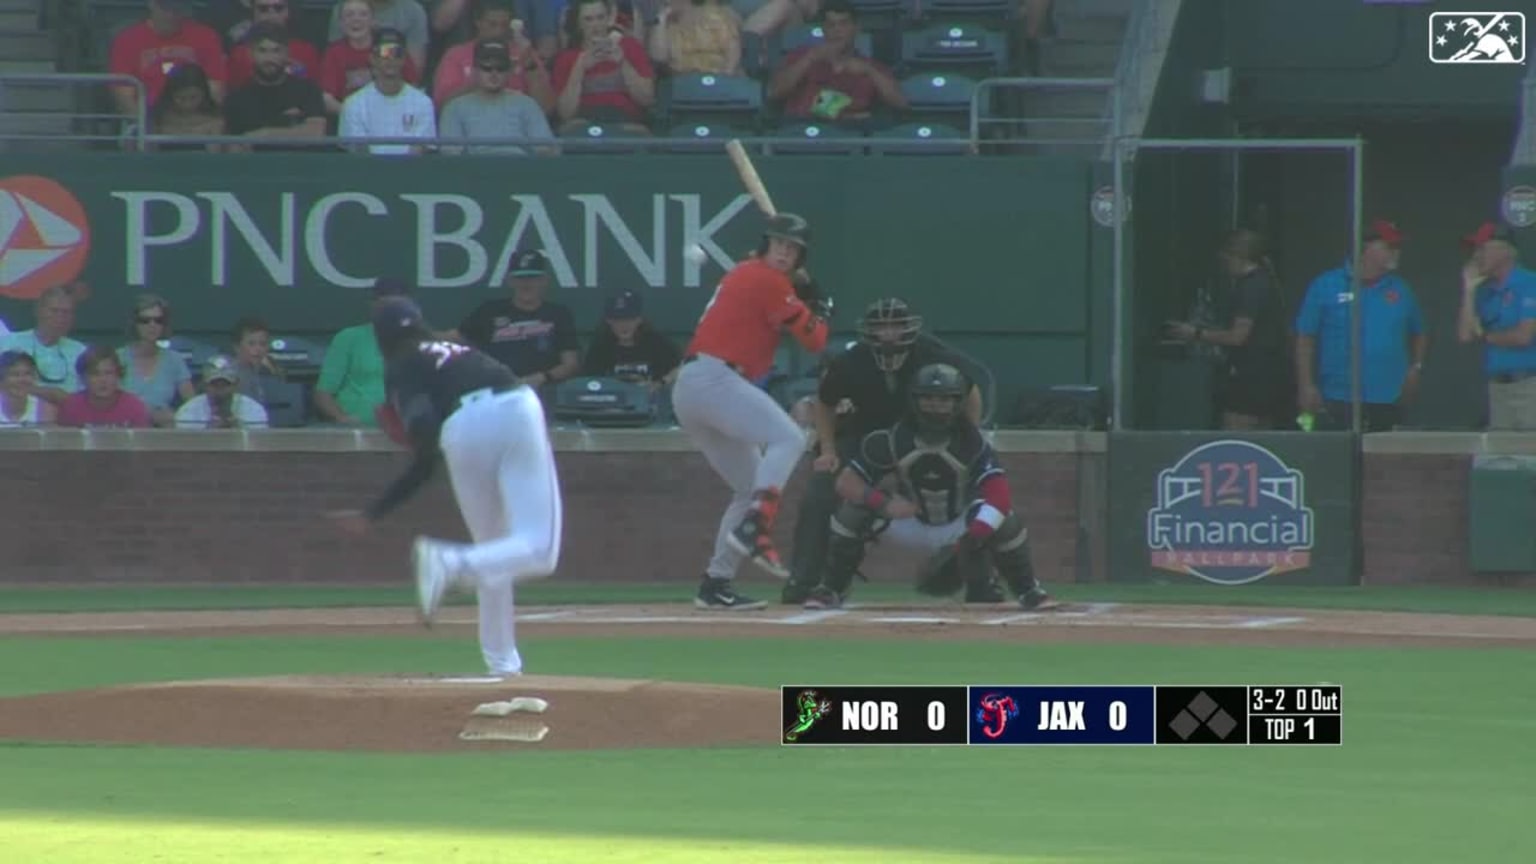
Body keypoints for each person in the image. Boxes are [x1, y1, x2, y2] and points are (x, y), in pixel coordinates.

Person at [327, 297, 562, 679]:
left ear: (381, 337)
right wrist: (375, 511)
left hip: (462, 428)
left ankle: (502, 662)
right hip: (513, 406)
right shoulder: (455, 351)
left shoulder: (402, 366)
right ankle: (454, 570)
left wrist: (375, 511)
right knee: (531, 549)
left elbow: (425, 454)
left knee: (497, 548)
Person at [672, 212, 831, 610]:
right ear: (766, 245)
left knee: (749, 487)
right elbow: (815, 341)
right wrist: (818, 307)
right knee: (790, 438)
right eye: (778, 244)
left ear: (799, 257)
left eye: (792, 249)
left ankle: (715, 583)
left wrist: (802, 299)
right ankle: (757, 526)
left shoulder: (752, 274)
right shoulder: (766, 279)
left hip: (698, 386)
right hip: (714, 379)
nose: (784, 252)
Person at [781, 297, 981, 605]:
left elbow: (970, 390)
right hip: (865, 438)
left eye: (895, 326)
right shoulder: (851, 361)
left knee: (979, 494)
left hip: (922, 436)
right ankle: (808, 579)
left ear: (909, 328)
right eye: (881, 326)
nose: (888, 334)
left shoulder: (934, 355)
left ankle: (983, 580)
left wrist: (967, 438)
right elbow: (825, 401)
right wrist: (828, 449)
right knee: (820, 493)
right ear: (869, 330)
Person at [815, 362, 1059, 610]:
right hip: (909, 520)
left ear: (958, 403)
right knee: (852, 512)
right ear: (914, 401)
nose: (936, 406)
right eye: (928, 399)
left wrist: (971, 539)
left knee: (1004, 520)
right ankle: (831, 589)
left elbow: (999, 497)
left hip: (960, 525)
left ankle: (1028, 590)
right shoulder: (893, 439)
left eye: (944, 400)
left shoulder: (973, 444)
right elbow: (846, 483)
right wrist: (884, 503)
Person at [1294, 220, 1426, 432]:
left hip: (1389, 397)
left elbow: (1419, 332)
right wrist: (1306, 384)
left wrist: (1416, 368)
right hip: (1338, 395)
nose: (1396, 252)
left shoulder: (1401, 289)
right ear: (1365, 247)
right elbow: (1305, 337)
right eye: (1389, 246)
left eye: (1398, 247)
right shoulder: (1326, 284)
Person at [1163, 228, 1293, 430]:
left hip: (1250, 376)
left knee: (1236, 432)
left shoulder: (1251, 288)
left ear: (1238, 257)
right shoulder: (1265, 283)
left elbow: (1238, 336)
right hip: (1268, 375)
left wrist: (1195, 333)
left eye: (1226, 260)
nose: (1225, 266)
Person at [1456, 222, 1536, 430]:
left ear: (1505, 251)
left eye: (1482, 248)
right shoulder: (1485, 290)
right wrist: (1469, 289)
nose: (1476, 256)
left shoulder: (1529, 283)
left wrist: (1485, 336)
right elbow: (1465, 335)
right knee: (1500, 448)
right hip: (1498, 386)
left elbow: (1523, 336)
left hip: (1529, 384)